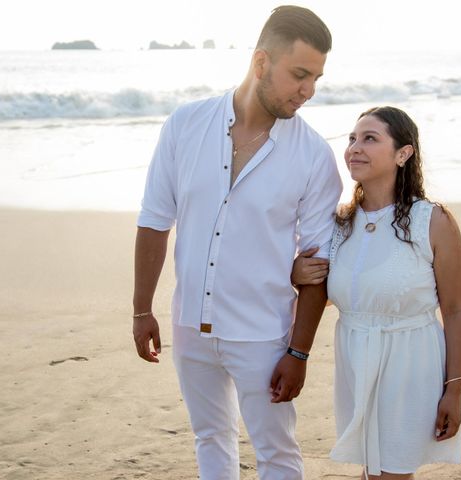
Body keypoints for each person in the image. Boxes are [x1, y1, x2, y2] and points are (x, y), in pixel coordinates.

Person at [132, 5, 342, 479]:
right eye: (300, 74)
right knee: (210, 438)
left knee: (278, 454)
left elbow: (320, 261)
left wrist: (299, 353)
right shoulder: (185, 125)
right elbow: (154, 220)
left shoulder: (312, 155)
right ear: (261, 63)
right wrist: (141, 309)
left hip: (263, 333)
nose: (308, 91)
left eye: (317, 79)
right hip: (190, 324)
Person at [292, 106, 461, 479]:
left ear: (403, 154)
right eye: (353, 139)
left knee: (390, 473)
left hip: (410, 361)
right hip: (356, 359)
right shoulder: (340, 222)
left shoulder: (432, 221)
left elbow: (455, 310)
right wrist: (296, 273)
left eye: (370, 139)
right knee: (374, 470)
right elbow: (330, 291)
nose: (355, 148)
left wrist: (453, 390)